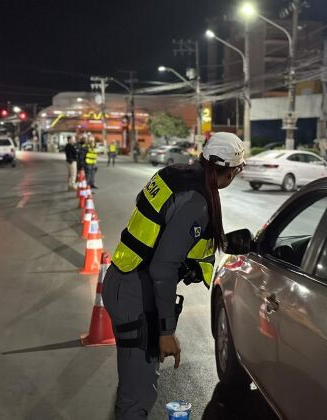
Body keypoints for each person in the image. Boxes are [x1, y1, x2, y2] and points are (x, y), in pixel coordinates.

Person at [102, 132, 245, 419]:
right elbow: (162, 268)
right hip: (135, 293)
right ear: (230, 172)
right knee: (139, 394)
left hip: (124, 280)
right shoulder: (197, 199)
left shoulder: (176, 174)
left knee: (134, 384)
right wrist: (166, 332)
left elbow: (162, 226)